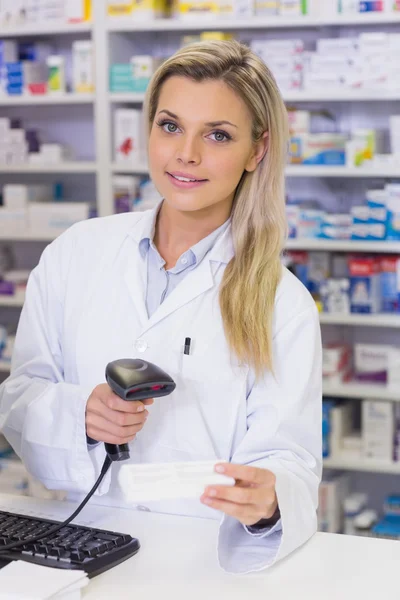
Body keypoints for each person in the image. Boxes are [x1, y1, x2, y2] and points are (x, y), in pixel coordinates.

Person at [0, 40, 322, 574]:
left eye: (218, 135)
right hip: (71, 549)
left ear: (256, 151)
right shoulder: (76, 253)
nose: (186, 154)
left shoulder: (280, 302)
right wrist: (82, 414)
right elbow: (18, 398)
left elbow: (287, 460)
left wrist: (267, 503)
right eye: (171, 126)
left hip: (202, 562)